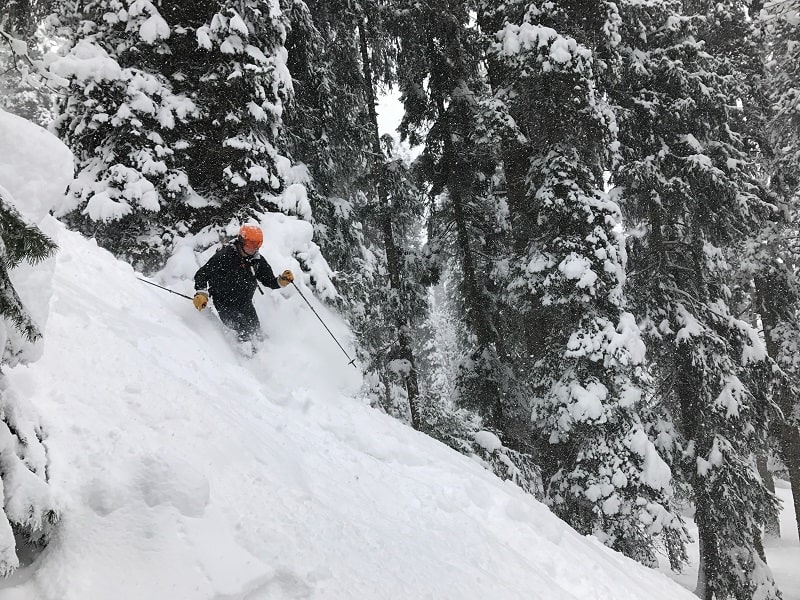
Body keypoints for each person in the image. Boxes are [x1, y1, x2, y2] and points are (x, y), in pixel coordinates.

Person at [192, 224, 294, 342]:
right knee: (243, 331)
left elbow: (269, 281)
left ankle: (265, 355)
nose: (254, 248)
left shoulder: (256, 260)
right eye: (251, 244)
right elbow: (202, 274)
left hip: (245, 303)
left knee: (257, 333)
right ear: (241, 241)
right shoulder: (225, 256)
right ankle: (241, 356)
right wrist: (202, 293)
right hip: (224, 303)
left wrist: (281, 281)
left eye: (257, 244)